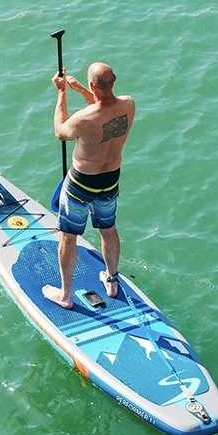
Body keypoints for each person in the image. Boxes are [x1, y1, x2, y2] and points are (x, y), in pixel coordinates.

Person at [42, 62, 135, 310]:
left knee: (69, 237)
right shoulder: (128, 105)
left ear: (94, 85)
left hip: (81, 184)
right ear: (114, 79)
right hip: (110, 180)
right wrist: (81, 89)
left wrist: (62, 91)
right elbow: (103, 114)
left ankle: (65, 295)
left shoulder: (84, 119)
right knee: (108, 229)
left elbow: (61, 132)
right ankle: (112, 281)